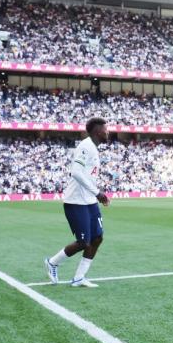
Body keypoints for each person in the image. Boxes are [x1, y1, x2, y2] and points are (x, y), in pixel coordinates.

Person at [45, 117, 110, 288]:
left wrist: (95, 194)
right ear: (97, 132)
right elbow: (76, 172)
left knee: (97, 238)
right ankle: (52, 262)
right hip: (76, 201)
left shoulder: (94, 148)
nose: (108, 132)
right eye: (105, 129)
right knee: (83, 242)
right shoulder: (85, 146)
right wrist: (98, 192)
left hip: (89, 202)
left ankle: (79, 277)